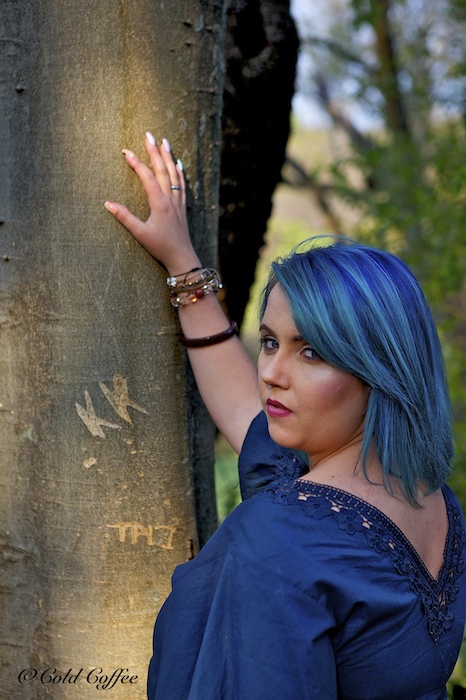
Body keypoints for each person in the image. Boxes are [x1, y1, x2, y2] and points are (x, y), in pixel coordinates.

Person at [105, 133, 466, 700]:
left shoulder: (277, 538)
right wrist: (183, 265)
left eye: (312, 352)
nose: (271, 372)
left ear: (379, 370)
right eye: (271, 341)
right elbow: (244, 410)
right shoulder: (432, 501)